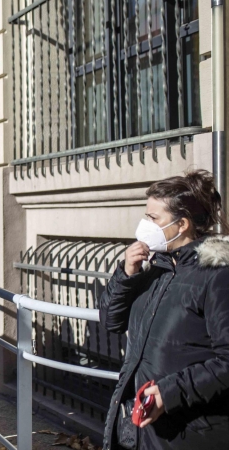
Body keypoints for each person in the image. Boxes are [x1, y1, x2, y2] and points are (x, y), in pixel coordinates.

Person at [99, 170, 229, 450]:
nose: (145, 224)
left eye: (153, 218)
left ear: (181, 224)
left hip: (189, 432)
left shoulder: (216, 276)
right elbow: (110, 321)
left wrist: (168, 394)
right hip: (141, 428)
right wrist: (126, 274)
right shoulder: (155, 266)